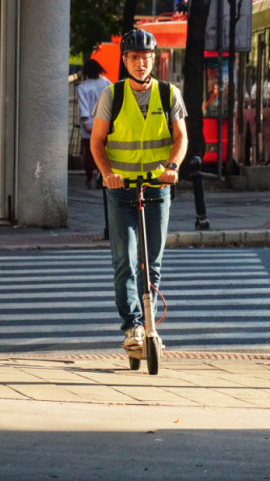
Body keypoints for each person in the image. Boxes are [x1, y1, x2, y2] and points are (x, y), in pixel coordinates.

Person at [90, 29, 188, 351]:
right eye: (135, 58)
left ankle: (150, 324)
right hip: (121, 191)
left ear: (154, 60)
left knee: (153, 262)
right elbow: (97, 141)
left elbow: (181, 138)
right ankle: (132, 327)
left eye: (147, 58)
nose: (141, 63)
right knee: (125, 260)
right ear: (125, 61)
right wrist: (107, 174)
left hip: (157, 188)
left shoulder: (168, 94)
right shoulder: (112, 95)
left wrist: (172, 167)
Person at [77, 59, 112, 188]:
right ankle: (101, 176)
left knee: (90, 153)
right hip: (105, 123)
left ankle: (89, 177)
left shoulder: (82, 87)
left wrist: (86, 123)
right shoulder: (107, 84)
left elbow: (83, 107)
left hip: (89, 125)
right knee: (104, 152)